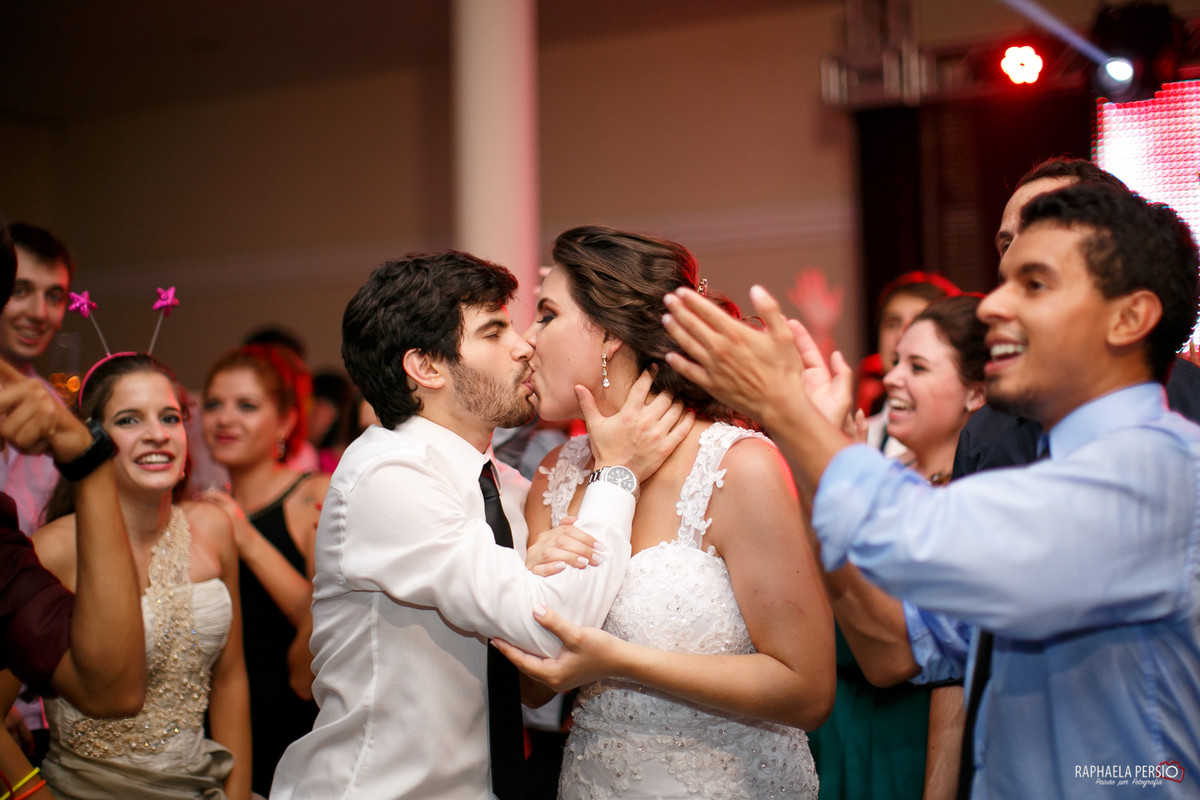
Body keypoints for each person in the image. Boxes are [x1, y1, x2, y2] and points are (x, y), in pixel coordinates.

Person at [662, 182, 1200, 798]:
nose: (993, 306)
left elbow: (919, 533)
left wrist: (789, 412)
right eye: (1004, 280)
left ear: (1129, 318)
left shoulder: (1158, 472)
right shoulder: (1058, 470)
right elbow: (893, 646)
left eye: (1034, 285)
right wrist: (811, 440)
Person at [269, 250, 691, 800]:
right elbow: (553, 630)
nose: (524, 346)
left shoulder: (508, 487)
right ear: (426, 367)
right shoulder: (387, 475)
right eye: (494, 332)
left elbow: (535, 666)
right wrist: (617, 474)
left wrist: (527, 575)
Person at [493, 226, 835, 800]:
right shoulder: (555, 475)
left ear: (608, 335)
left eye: (547, 315)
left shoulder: (739, 467)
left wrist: (617, 662)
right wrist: (527, 582)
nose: (527, 341)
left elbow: (808, 691)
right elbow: (532, 689)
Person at [20, 354, 252, 799]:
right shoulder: (53, 550)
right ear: (89, 440)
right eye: (129, 420)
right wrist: (31, 793)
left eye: (170, 417)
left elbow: (231, 679)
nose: (157, 434)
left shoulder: (214, 528)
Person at [810, 295, 985, 800]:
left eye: (918, 367)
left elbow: (951, 678)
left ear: (976, 392)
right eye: (896, 362)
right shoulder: (880, 475)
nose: (892, 379)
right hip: (831, 734)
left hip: (904, 747)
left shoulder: (970, 504)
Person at [0, 218, 144, 796]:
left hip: (48, 698)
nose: (39, 312)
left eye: (55, 295)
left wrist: (89, 461)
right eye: (21, 290)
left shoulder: (60, 424)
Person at [200, 344, 328, 796]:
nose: (225, 419)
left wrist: (245, 536)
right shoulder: (199, 510)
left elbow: (322, 619)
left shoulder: (314, 495)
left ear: (286, 421)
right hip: (216, 723)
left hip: (295, 715)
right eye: (213, 405)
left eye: (246, 406)